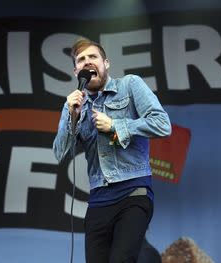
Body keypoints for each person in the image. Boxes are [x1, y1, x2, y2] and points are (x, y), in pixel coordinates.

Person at [53, 39, 171, 262]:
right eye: (81, 60)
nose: (87, 62)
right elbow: (60, 152)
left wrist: (116, 126)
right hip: (99, 198)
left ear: (105, 63)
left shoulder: (129, 85)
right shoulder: (74, 105)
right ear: (76, 71)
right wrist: (72, 117)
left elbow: (162, 124)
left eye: (93, 57)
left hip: (133, 192)